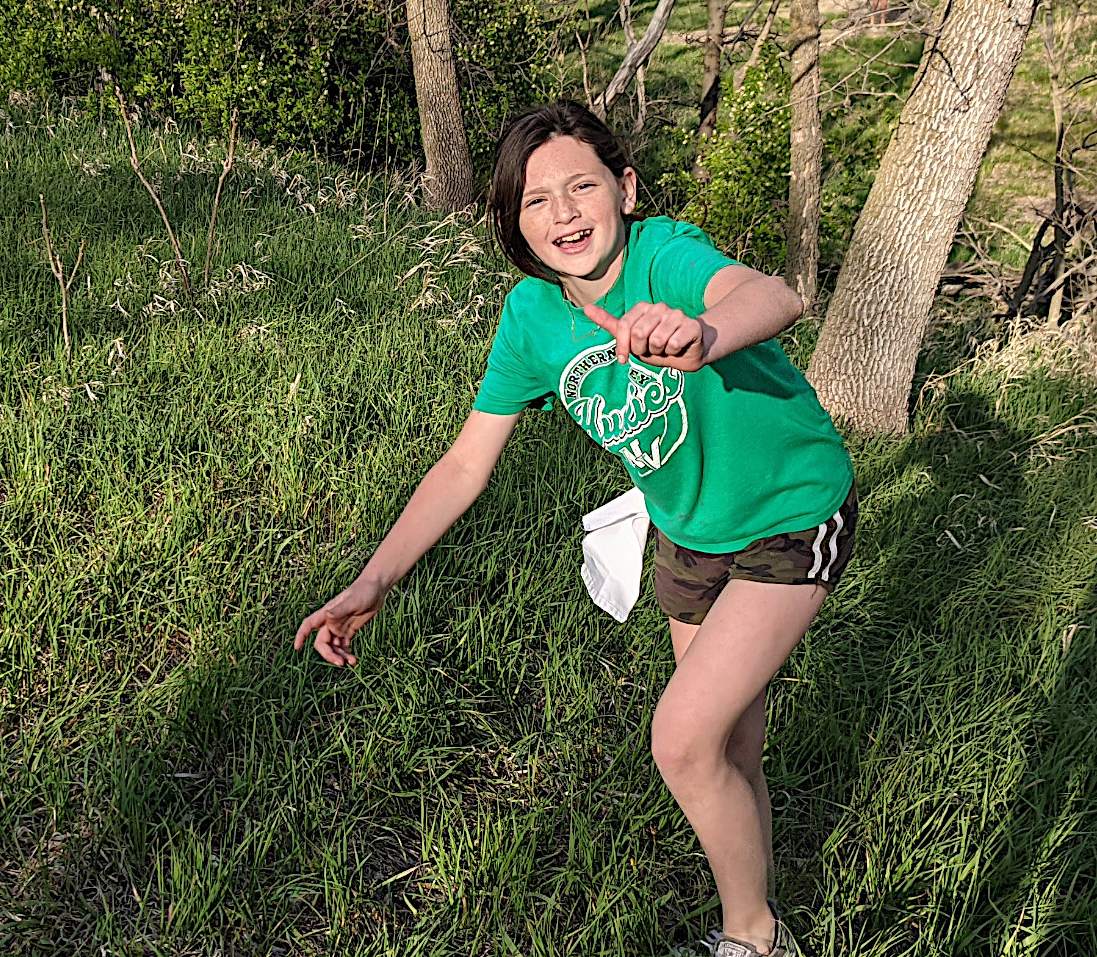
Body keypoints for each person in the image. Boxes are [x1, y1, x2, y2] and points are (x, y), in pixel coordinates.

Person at [294, 100, 856, 957]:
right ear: (513, 222)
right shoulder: (531, 320)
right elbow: (464, 464)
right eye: (535, 199)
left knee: (682, 740)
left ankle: (754, 938)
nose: (563, 212)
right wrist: (376, 578)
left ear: (624, 188)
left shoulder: (665, 255)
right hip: (686, 527)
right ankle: (755, 908)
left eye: (582, 186)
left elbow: (774, 294)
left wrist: (703, 332)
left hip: (791, 511)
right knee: (729, 746)